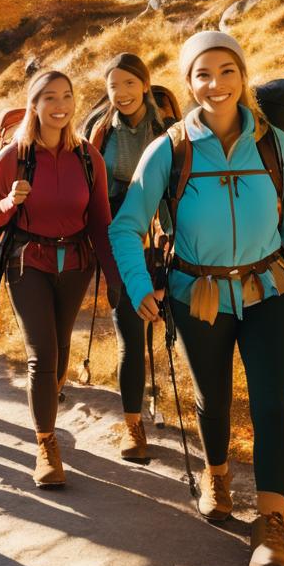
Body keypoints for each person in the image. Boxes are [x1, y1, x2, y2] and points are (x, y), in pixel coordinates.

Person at [109, 31, 284, 566]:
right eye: (202, 73)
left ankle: (270, 526)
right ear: (188, 81)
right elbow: (125, 226)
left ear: (243, 75)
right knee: (213, 398)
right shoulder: (170, 149)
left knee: (273, 405)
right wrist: (138, 286)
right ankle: (216, 472)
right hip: (196, 296)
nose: (215, 84)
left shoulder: (275, 146)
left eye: (227, 71)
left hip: (270, 291)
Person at [0, 69, 120, 488]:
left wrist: (116, 278)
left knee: (59, 350)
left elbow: (100, 220)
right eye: (50, 98)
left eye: (67, 97)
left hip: (76, 264)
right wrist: (9, 202)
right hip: (29, 262)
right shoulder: (14, 155)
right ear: (35, 104)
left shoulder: (86, 157)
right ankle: (46, 445)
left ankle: (47, 410)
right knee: (42, 355)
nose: (60, 106)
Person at [87, 53, 175, 463]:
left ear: (144, 84)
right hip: (119, 241)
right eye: (113, 87)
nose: (120, 94)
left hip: (166, 241)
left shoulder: (172, 130)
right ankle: (133, 426)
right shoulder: (100, 131)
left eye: (128, 84)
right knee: (131, 335)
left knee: (169, 325)